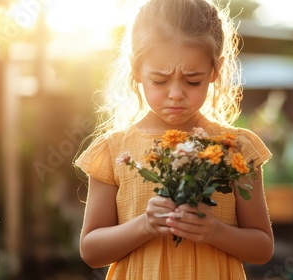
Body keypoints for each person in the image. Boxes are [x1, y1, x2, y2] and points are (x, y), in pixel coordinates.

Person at [74, 0, 274, 279]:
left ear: (215, 71)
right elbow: (91, 251)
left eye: (193, 81)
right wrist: (145, 224)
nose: (176, 94)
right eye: (159, 80)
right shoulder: (112, 151)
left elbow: (262, 248)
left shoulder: (236, 148)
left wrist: (214, 231)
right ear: (136, 69)